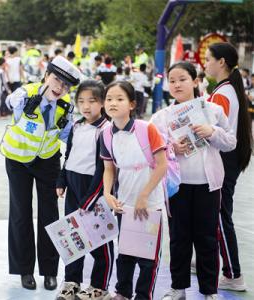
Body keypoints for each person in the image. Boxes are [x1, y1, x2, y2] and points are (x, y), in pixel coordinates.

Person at [150, 62, 236, 300]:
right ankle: (178, 289)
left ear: (195, 81)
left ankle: (210, 291)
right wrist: (170, 148)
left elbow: (231, 142)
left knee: (207, 238)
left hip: (208, 185)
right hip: (176, 186)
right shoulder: (161, 117)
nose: (177, 85)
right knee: (179, 238)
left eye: (182, 79)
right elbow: (150, 150)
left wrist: (213, 132)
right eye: (172, 80)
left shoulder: (213, 111)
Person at [0, 56, 81, 291]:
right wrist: (17, 98)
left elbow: (68, 137)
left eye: (65, 86)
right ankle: (24, 270)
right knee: (20, 212)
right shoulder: (27, 93)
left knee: (50, 215)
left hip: (47, 161)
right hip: (17, 160)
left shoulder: (66, 106)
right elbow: (10, 101)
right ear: (46, 76)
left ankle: (49, 271)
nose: (59, 88)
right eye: (56, 80)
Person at [101, 81, 167, 300]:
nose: (113, 103)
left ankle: (143, 296)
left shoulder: (146, 128)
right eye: (109, 98)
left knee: (148, 260)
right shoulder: (106, 134)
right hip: (124, 204)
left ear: (131, 104)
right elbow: (109, 168)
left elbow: (162, 165)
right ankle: (122, 293)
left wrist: (144, 195)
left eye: (119, 99)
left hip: (150, 205)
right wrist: (107, 193)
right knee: (125, 254)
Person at [55, 80, 113, 300]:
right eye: (81, 101)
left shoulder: (105, 130)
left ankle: (100, 286)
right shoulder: (77, 126)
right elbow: (68, 155)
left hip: (94, 191)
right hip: (73, 187)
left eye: (92, 101)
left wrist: (91, 198)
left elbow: (104, 168)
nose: (86, 106)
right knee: (73, 238)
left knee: (100, 240)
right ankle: (71, 282)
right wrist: (61, 180)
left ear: (102, 102)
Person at [204, 43, 252, 291]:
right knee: (215, 215)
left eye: (208, 58)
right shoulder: (227, 90)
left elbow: (214, 132)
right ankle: (213, 262)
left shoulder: (223, 94)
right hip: (227, 159)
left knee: (220, 216)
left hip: (223, 160)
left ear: (221, 62)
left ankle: (233, 274)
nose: (205, 63)